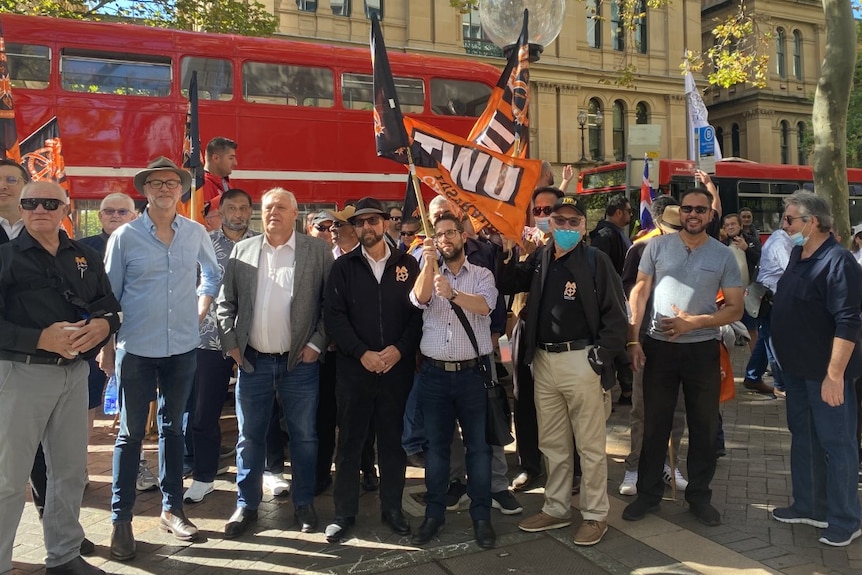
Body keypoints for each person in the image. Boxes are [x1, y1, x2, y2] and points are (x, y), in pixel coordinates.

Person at [0, 181, 121, 575]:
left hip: (74, 374)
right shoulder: (5, 258)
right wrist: (39, 338)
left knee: (70, 472)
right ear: (20, 207)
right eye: (30, 203)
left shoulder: (84, 255)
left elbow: (109, 305)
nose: (40, 209)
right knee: (8, 479)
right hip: (22, 375)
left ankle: (65, 555)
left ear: (64, 208)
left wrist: (103, 326)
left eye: (49, 202)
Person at [105, 157, 221, 561]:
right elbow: (110, 297)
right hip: (135, 348)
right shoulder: (124, 237)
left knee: (174, 429)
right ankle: (121, 519)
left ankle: (172, 510)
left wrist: (201, 308)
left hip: (183, 348)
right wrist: (107, 350)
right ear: (146, 190)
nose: (165, 188)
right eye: (156, 183)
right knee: (130, 434)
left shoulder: (194, 232)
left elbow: (212, 273)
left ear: (181, 189)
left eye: (172, 182)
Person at [499, 195, 627, 546]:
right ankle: (555, 508)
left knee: (589, 445)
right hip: (544, 361)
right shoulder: (540, 257)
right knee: (552, 443)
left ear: (584, 226)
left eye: (573, 222)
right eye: (559, 221)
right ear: (549, 224)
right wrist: (509, 248)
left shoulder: (595, 261)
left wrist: (600, 357)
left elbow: (617, 316)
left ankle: (594, 514)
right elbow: (508, 282)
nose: (566, 228)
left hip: (582, 361)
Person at [217, 188, 333, 539]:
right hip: (253, 363)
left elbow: (331, 305)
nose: (273, 213)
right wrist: (232, 346)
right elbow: (226, 304)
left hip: (300, 363)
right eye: (267, 207)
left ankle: (304, 503)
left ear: (295, 213)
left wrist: (317, 343)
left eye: (281, 207)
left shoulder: (317, 251)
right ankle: (246, 505)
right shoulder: (243, 250)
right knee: (249, 438)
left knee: (304, 437)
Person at [623, 187, 743, 527]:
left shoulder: (723, 255)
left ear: (709, 215)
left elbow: (734, 308)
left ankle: (699, 498)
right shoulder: (656, 247)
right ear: (681, 213)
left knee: (704, 428)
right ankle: (648, 495)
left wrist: (694, 323)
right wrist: (633, 340)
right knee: (654, 425)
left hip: (703, 349)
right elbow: (640, 291)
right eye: (687, 208)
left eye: (700, 209)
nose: (693, 214)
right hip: (659, 348)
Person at [323, 197, 421, 542]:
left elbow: (418, 315)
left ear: (384, 224)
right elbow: (334, 316)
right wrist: (361, 352)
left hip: (396, 370)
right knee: (350, 443)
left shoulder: (407, 263)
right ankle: (344, 513)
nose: (367, 227)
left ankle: (392, 508)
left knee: (392, 444)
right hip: (354, 371)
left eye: (373, 221)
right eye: (360, 222)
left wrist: (399, 349)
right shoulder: (343, 267)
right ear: (355, 227)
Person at [770, 191, 862, 547]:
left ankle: (845, 519)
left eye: (790, 219)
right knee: (804, 436)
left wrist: (835, 374)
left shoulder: (839, 261)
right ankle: (810, 505)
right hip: (796, 369)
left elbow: (847, 322)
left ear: (812, 222)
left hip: (827, 374)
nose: (784, 225)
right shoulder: (798, 253)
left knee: (837, 443)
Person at [409, 213, 499, 549]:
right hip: (434, 375)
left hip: (472, 376)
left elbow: (485, 307)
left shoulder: (481, 274)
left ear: (463, 237)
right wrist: (428, 266)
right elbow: (417, 300)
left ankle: (481, 517)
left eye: (451, 233)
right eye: (439, 234)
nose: (445, 238)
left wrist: (452, 293)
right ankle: (434, 515)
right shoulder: (428, 273)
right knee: (436, 451)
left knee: (477, 449)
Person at [183, 188, 258, 504]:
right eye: (232, 207)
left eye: (244, 208)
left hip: (254, 339)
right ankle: (203, 475)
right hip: (209, 340)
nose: (238, 214)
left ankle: (267, 470)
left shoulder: (263, 244)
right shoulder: (204, 243)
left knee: (259, 413)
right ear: (220, 210)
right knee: (204, 412)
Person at [618, 199, 689, 496]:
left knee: (677, 410)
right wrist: (633, 339)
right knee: (642, 408)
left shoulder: (693, 249)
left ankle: (669, 464)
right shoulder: (639, 250)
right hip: (647, 340)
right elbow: (628, 296)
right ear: (659, 225)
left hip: (682, 341)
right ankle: (634, 466)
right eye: (671, 228)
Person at [509, 186, 561, 492]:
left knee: (561, 405)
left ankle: (571, 468)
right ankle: (529, 465)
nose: (542, 216)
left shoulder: (578, 247)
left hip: (560, 339)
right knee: (524, 399)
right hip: (523, 331)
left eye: (548, 210)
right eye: (537, 211)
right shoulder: (524, 245)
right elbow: (509, 281)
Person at [589, 193, 634, 404]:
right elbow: (600, 269)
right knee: (617, 344)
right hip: (611, 298)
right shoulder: (605, 235)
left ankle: (627, 388)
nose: (631, 215)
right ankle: (625, 389)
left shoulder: (615, 233)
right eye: (629, 211)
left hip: (618, 296)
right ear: (618, 213)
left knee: (620, 343)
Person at [742, 228, 794, 398]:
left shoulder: (779, 239)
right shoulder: (781, 242)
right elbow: (791, 269)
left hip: (769, 296)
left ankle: (753, 376)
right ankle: (780, 385)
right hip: (772, 298)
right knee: (774, 342)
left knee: (766, 338)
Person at [722, 213, 761, 352]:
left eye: (733, 224)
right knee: (726, 330)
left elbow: (761, 261)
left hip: (748, 294)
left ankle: (757, 363)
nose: (730, 227)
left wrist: (747, 249)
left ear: (740, 225)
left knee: (751, 330)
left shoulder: (752, 241)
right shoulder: (722, 246)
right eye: (727, 225)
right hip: (728, 295)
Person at [203, 137, 237, 202]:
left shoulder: (224, 182)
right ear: (215, 158)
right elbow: (206, 211)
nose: (235, 163)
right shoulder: (203, 185)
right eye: (231, 158)